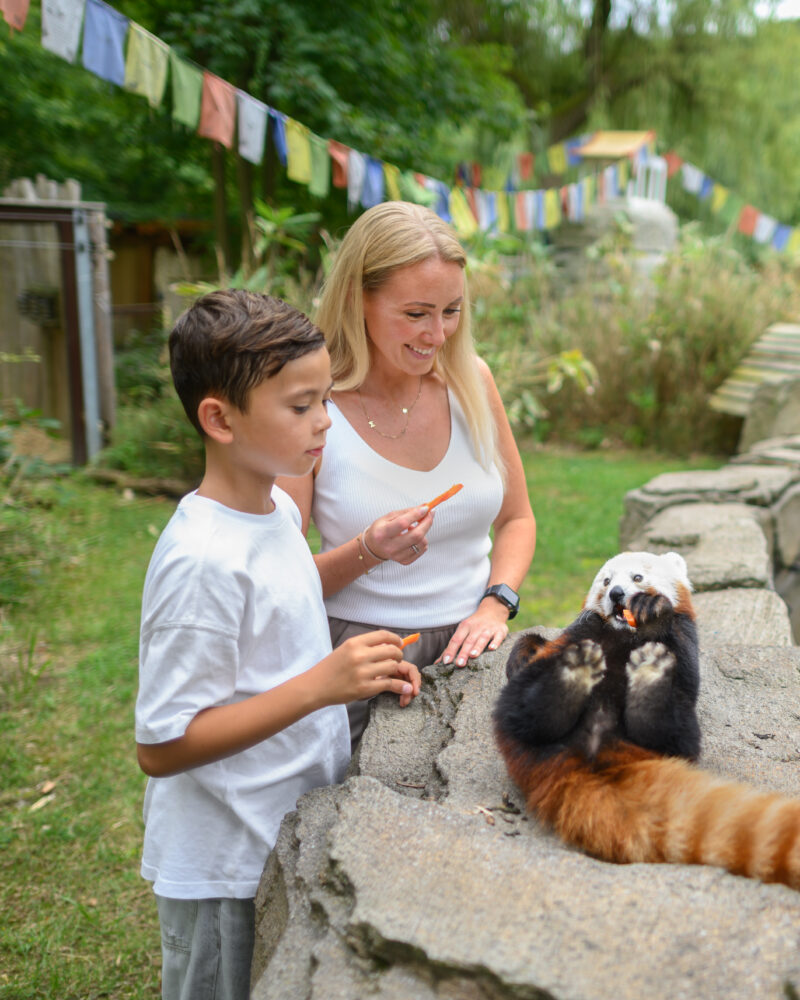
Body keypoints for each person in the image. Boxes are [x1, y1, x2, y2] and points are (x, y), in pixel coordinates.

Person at [134, 289, 420, 1000]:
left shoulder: (271, 510)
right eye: (300, 406)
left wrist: (368, 550)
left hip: (276, 830)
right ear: (219, 419)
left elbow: (287, 592)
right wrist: (321, 687)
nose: (325, 420)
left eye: (324, 399)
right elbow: (162, 745)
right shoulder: (202, 561)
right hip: (226, 862)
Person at [277, 202, 536, 747]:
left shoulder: (472, 382)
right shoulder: (314, 406)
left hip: (473, 650)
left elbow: (517, 518)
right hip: (356, 659)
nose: (438, 334)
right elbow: (280, 581)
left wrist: (496, 604)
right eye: (416, 313)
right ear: (358, 299)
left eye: (452, 311)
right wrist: (368, 550)